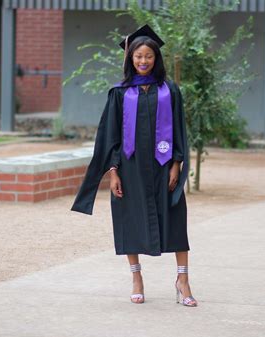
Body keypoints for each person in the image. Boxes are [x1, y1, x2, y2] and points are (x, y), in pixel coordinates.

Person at [71, 24, 197, 307]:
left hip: (164, 166)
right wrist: (113, 171)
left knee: (176, 220)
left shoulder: (169, 90)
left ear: (156, 59)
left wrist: (177, 162)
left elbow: (178, 129)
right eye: (138, 56)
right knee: (129, 221)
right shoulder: (119, 93)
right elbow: (111, 136)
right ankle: (136, 278)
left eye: (148, 56)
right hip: (130, 169)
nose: (143, 61)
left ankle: (183, 281)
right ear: (131, 58)